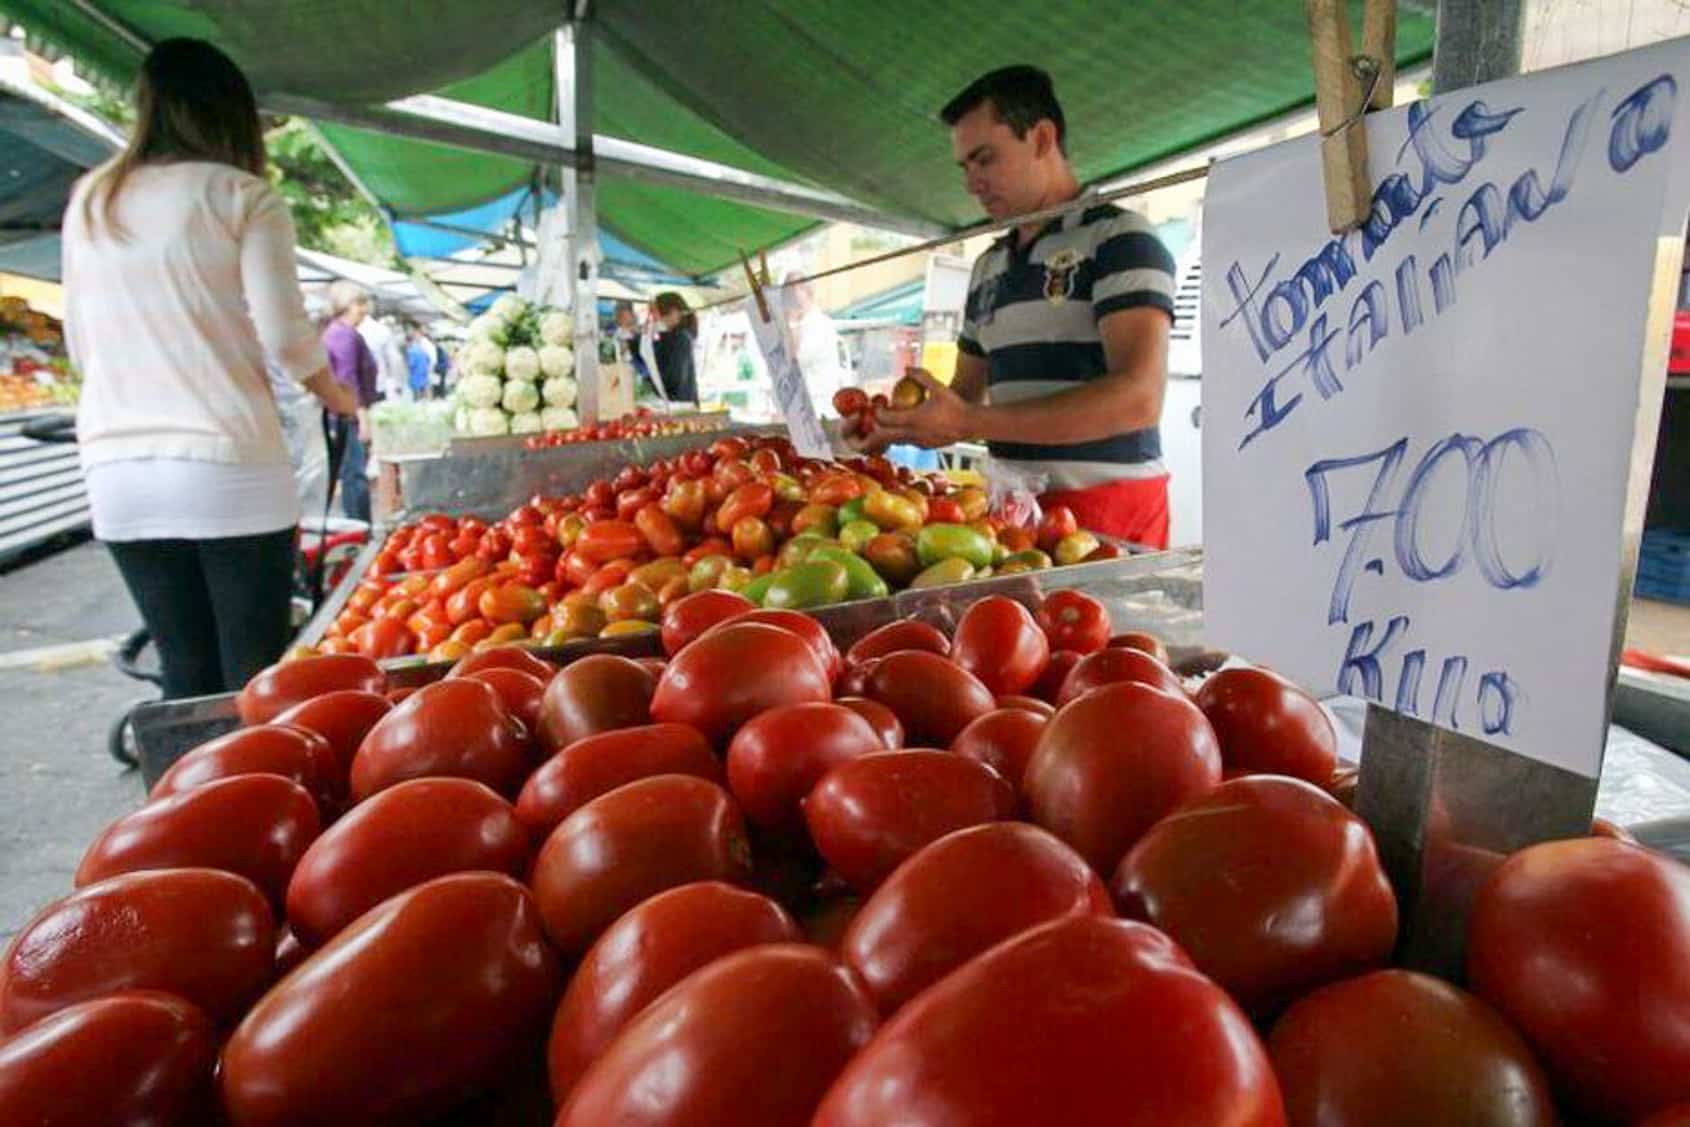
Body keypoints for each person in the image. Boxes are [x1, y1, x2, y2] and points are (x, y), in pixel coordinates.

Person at [63, 37, 358, 699]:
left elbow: (81, 345)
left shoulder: (93, 198)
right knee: (252, 677)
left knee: (184, 675)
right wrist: (339, 397)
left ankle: (182, 795)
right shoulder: (242, 195)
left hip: (117, 471)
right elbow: (286, 337)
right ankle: (253, 797)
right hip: (228, 465)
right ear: (234, 114)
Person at [857, 65, 1177, 548]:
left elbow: (1138, 398)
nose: (973, 183)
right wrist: (896, 423)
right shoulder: (988, 266)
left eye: (985, 160)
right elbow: (964, 396)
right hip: (1015, 516)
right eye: (965, 167)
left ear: (1043, 138)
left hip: (1109, 511)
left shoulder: (1119, 237)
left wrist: (968, 423)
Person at [321, 280, 379, 523]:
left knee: (350, 474)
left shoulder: (339, 333)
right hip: (347, 417)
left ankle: (356, 529)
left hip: (341, 414)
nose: (364, 309)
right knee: (355, 475)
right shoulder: (343, 335)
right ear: (344, 305)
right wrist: (362, 418)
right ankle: (360, 531)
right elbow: (348, 380)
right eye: (359, 303)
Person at [783, 273, 847, 416]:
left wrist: (792, 323)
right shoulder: (802, 323)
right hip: (803, 404)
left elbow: (796, 360)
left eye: (792, 293)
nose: (788, 300)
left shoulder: (819, 325)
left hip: (819, 405)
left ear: (806, 292)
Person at [652, 292, 699, 405]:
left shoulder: (681, 338)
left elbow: (673, 379)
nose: (654, 319)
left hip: (681, 407)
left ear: (673, 312)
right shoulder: (670, 337)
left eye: (655, 314)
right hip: (677, 404)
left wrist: (649, 378)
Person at [405, 324, 437, 400]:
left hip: (417, 375)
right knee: (425, 392)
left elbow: (411, 364)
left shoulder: (412, 350)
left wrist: (408, 369)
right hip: (424, 373)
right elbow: (428, 359)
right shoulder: (420, 347)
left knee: (417, 395)